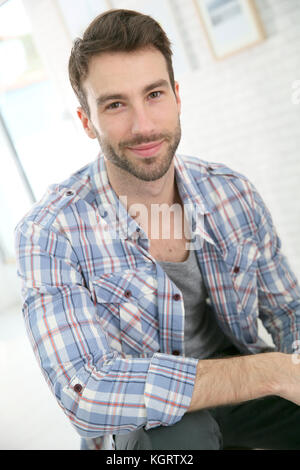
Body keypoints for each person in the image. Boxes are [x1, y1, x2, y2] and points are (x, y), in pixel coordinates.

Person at [15, 9, 300, 451]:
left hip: (242, 387)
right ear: (86, 120)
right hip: (143, 426)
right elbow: (86, 392)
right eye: (115, 104)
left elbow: (287, 310)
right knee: (180, 441)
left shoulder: (232, 192)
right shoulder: (50, 232)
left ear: (177, 96)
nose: (144, 125)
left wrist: (291, 361)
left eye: (154, 94)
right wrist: (270, 370)